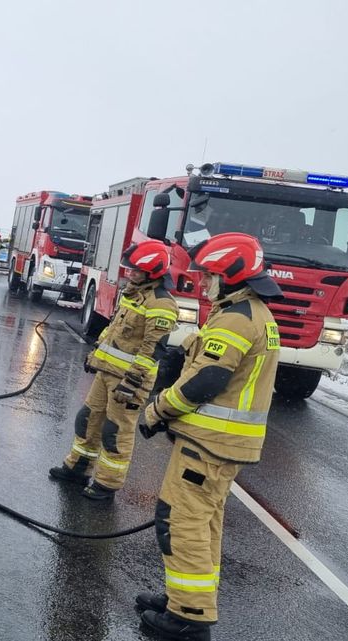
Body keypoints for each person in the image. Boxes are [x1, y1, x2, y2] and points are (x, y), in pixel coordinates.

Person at [135, 233, 282, 640]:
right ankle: (184, 599)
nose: (204, 283)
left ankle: (190, 618)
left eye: (210, 275)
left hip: (210, 444)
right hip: (217, 444)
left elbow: (207, 380)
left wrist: (158, 410)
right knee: (204, 523)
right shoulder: (251, 313)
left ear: (231, 275)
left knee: (182, 522)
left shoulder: (237, 318)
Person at [49, 240, 178, 500]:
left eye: (136, 270)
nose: (130, 272)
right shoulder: (133, 293)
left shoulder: (161, 304)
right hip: (106, 372)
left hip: (129, 381)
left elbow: (152, 349)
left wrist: (132, 382)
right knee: (88, 419)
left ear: (152, 271)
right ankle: (77, 468)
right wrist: (96, 352)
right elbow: (114, 330)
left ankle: (107, 484)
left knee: (115, 430)